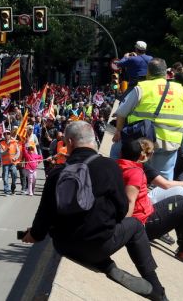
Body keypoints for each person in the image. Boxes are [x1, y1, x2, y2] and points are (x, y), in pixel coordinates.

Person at [22, 122, 167, 301]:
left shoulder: (57, 172)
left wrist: (32, 234)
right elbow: (122, 210)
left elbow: (43, 216)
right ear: (94, 140)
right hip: (98, 245)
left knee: (85, 240)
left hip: (64, 245)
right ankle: (157, 289)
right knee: (136, 226)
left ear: (69, 142)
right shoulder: (109, 166)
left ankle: (107, 265)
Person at [117, 138, 183, 271]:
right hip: (140, 224)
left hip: (140, 212)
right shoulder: (136, 172)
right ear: (143, 155)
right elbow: (130, 202)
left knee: (180, 195)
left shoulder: (116, 164)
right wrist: (123, 232)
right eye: (152, 153)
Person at [113, 58, 183, 180]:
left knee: (133, 172)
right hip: (171, 141)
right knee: (164, 180)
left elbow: (122, 113)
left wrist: (118, 131)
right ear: (166, 73)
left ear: (148, 72)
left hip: (144, 140)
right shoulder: (180, 90)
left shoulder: (142, 88)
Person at [0, 130, 21, 195]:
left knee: (14, 175)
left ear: (10, 135)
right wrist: (6, 151)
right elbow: (1, 153)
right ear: (4, 135)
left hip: (13, 163)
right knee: (5, 178)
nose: (7, 135)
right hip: (5, 164)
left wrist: (16, 157)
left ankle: (13, 186)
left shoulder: (14, 142)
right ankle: (6, 191)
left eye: (8, 134)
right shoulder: (1, 143)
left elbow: (18, 152)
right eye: (5, 134)